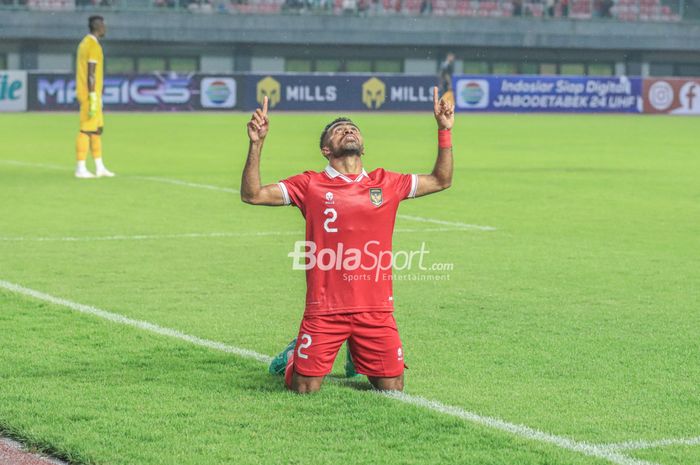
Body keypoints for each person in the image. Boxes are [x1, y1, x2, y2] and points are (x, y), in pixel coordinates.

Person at [241, 88, 454, 393]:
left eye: (353, 129)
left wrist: (444, 131)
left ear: (363, 146)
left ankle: (356, 350)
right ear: (326, 149)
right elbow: (253, 194)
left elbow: (441, 180)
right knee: (303, 388)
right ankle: (294, 354)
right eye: (339, 131)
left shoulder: (387, 182)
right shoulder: (310, 184)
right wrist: (256, 144)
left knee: (392, 388)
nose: (349, 131)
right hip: (325, 308)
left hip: (375, 308)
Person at [75, 15, 115, 179]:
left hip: (93, 93)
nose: (105, 28)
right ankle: (80, 167)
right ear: (98, 26)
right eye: (103, 25)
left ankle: (99, 167)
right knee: (86, 129)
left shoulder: (84, 43)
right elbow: (91, 72)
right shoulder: (92, 45)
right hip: (89, 94)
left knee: (97, 130)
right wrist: (92, 95)